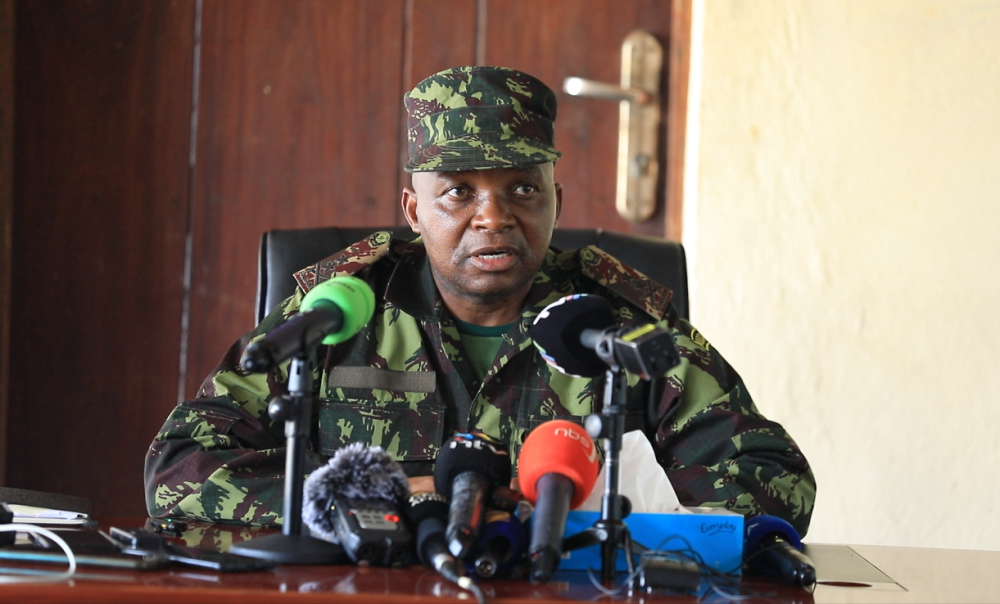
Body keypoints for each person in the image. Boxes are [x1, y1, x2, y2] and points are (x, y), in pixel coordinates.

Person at [144, 66, 816, 536]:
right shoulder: (339, 311)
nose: (491, 217)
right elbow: (179, 466)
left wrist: (578, 517)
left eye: (523, 189)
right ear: (414, 208)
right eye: (459, 191)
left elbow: (773, 481)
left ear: (558, 202)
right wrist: (381, 496)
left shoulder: (616, 323)